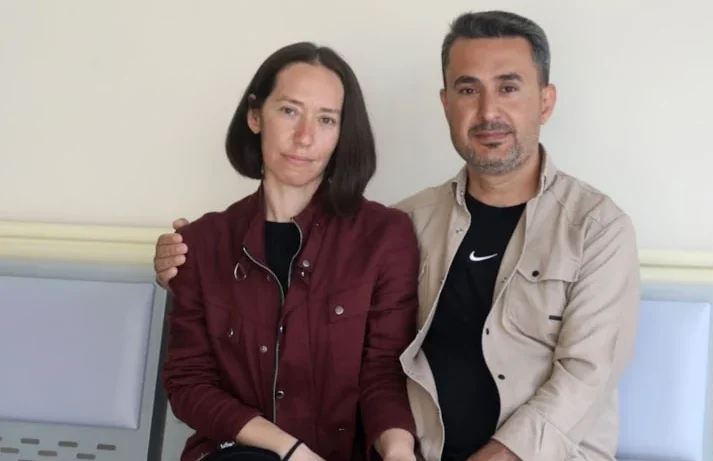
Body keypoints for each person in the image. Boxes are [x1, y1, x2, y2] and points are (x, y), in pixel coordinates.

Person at [155, 10, 641, 461]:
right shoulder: (408, 222)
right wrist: (180, 261)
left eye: (509, 88)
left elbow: (585, 377)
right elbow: (378, 360)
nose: (488, 111)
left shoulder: (596, 229)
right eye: (468, 89)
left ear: (546, 101)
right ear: (446, 103)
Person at [157, 41, 419, 461]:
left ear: (342, 134)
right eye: (290, 111)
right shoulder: (203, 243)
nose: (305, 137)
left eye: (326, 119)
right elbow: (188, 383)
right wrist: (289, 450)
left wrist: (399, 452)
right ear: (255, 116)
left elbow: (384, 372)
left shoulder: (385, 235)